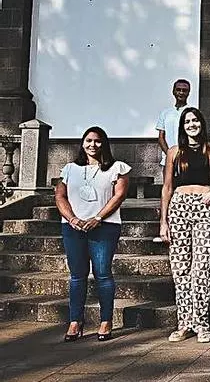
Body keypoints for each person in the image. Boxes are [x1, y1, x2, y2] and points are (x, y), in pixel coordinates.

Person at [159, 107, 210, 343]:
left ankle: (201, 323)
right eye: (187, 121)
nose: (192, 125)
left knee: (201, 266)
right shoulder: (174, 152)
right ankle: (184, 323)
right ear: (182, 126)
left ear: (202, 123)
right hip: (179, 207)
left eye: (195, 120)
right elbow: (167, 187)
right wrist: (163, 221)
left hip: (204, 206)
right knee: (180, 267)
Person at [55, 127, 130, 342]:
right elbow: (60, 196)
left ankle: (105, 321)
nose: (92, 145)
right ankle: (75, 321)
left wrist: (98, 218)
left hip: (104, 227)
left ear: (104, 143)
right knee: (77, 275)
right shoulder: (70, 168)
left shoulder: (117, 168)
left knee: (103, 273)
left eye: (97, 141)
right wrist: (72, 219)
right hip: (73, 228)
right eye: (88, 140)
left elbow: (119, 196)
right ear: (82, 143)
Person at [153, 78, 192, 243]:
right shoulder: (166, 113)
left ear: (189, 92)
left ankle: (183, 228)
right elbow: (161, 137)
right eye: (179, 89)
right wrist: (170, 154)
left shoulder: (191, 111)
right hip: (168, 159)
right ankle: (165, 227)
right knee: (167, 192)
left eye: (184, 90)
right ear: (174, 91)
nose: (181, 93)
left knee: (184, 192)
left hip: (187, 159)